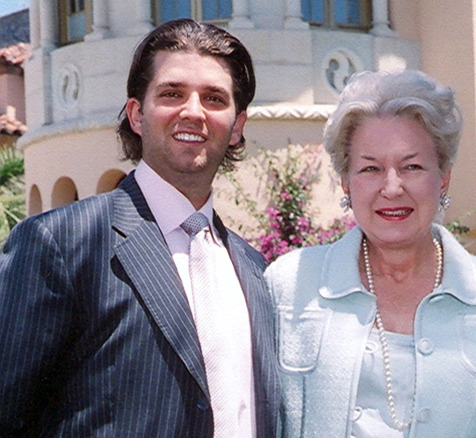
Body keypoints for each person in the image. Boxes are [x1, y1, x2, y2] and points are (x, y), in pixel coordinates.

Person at [0, 19, 279, 437]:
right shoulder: (62, 244)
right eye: (172, 94)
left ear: (237, 126)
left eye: (215, 98)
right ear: (136, 114)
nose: (193, 111)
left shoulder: (255, 271)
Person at [264, 70, 476, 437]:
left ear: (443, 177)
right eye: (370, 168)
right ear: (346, 181)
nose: (392, 188)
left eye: (412, 166)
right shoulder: (288, 286)